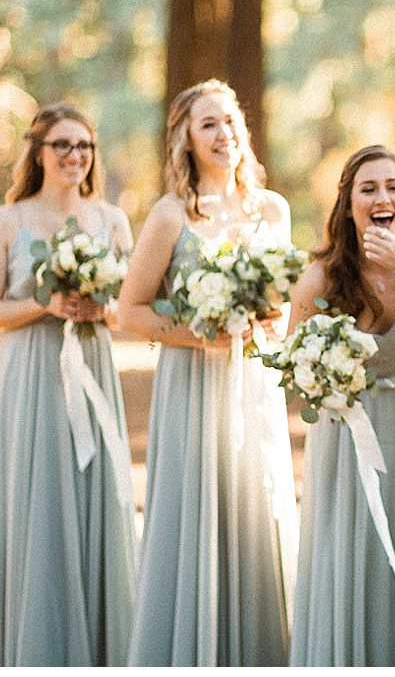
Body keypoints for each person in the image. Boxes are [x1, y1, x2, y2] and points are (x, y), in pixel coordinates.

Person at [117, 80, 298, 666]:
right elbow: (130, 310)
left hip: (253, 383)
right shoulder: (171, 215)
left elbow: (288, 305)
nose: (223, 136)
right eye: (207, 126)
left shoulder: (271, 209)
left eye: (229, 122)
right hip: (191, 384)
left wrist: (269, 319)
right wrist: (197, 334)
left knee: (254, 503)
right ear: (186, 141)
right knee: (194, 508)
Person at [0, 104, 137, 665]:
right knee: (38, 496)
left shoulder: (111, 220)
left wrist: (98, 307)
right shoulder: (6, 221)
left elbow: (128, 310)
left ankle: (100, 644)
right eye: (61, 145)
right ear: (37, 152)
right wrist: (45, 303)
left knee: (95, 491)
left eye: (83, 145)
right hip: (32, 375)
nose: (74, 156)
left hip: (92, 365)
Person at [288, 145, 395, 667]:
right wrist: (325, 374)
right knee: (352, 558)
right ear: (349, 203)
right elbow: (291, 370)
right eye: (369, 189)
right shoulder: (323, 275)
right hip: (348, 438)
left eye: (392, 187)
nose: (383, 197)